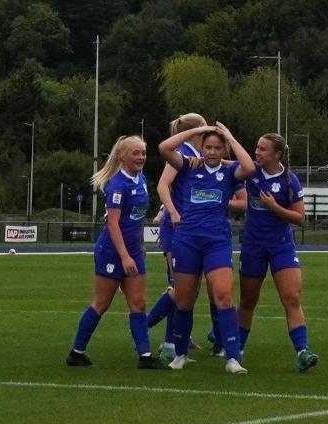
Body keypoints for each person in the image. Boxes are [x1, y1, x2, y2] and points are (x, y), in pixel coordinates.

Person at [158, 122, 254, 373]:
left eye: (217, 147)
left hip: (217, 242)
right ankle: (179, 354)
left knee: (224, 295)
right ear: (201, 147)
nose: (211, 152)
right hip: (187, 240)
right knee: (184, 300)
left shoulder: (230, 171)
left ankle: (232, 358)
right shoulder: (189, 165)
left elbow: (250, 167)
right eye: (207, 147)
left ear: (223, 150)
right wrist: (195, 132)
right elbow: (164, 147)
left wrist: (230, 137)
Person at [66, 135, 169, 369]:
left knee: (138, 303)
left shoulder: (141, 179)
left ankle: (144, 357)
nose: (141, 157)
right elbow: (113, 224)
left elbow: (136, 220)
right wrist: (124, 255)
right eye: (136, 153)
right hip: (112, 252)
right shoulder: (117, 185)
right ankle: (76, 353)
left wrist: (138, 246)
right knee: (102, 303)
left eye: (143, 152)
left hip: (132, 251)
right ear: (122, 156)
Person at [237, 133, 320, 372]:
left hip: (281, 246)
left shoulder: (289, 180)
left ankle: (302, 351)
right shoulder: (250, 172)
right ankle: (237, 350)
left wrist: (274, 207)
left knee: (291, 297)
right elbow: (225, 164)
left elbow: (300, 218)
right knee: (248, 300)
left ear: (277, 155)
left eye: (263, 149)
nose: (257, 152)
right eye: (256, 147)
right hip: (253, 246)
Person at [146, 113, 211, 361]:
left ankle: (173, 340)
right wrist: (171, 211)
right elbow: (163, 185)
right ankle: (149, 330)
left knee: (187, 290)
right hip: (177, 229)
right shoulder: (181, 152)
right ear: (197, 132)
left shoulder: (193, 155)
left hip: (187, 228)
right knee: (182, 289)